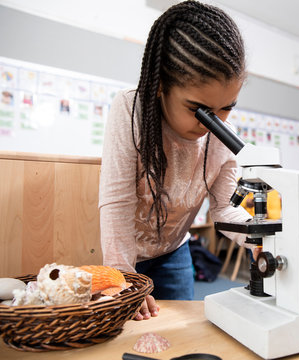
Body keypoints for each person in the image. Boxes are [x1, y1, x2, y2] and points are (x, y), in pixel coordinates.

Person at [99, 0, 251, 321]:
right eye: (199, 109)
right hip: (125, 255)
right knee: (131, 333)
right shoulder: (132, 110)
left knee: (179, 330)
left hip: (175, 251)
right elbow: (118, 203)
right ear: (161, 87)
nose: (214, 123)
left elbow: (224, 208)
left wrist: (261, 237)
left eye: (227, 108)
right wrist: (122, 278)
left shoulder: (224, 138)